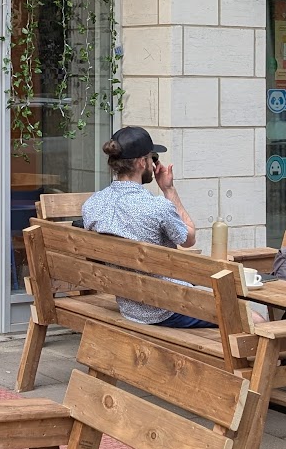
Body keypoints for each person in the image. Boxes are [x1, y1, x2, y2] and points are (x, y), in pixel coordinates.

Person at [82, 125, 205, 328]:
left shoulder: (93, 205)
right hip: (168, 307)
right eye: (153, 158)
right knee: (254, 320)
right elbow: (189, 239)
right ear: (142, 162)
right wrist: (169, 189)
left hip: (129, 305)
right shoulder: (157, 207)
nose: (154, 163)